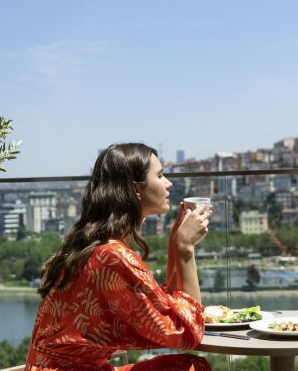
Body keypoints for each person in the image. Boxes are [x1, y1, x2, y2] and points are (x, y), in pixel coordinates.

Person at [25, 143, 212, 371]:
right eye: (160, 175)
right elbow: (187, 332)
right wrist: (185, 248)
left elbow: (164, 308)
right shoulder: (113, 257)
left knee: (186, 365)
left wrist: (175, 244)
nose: (168, 183)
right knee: (191, 368)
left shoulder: (96, 247)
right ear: (136, 188)